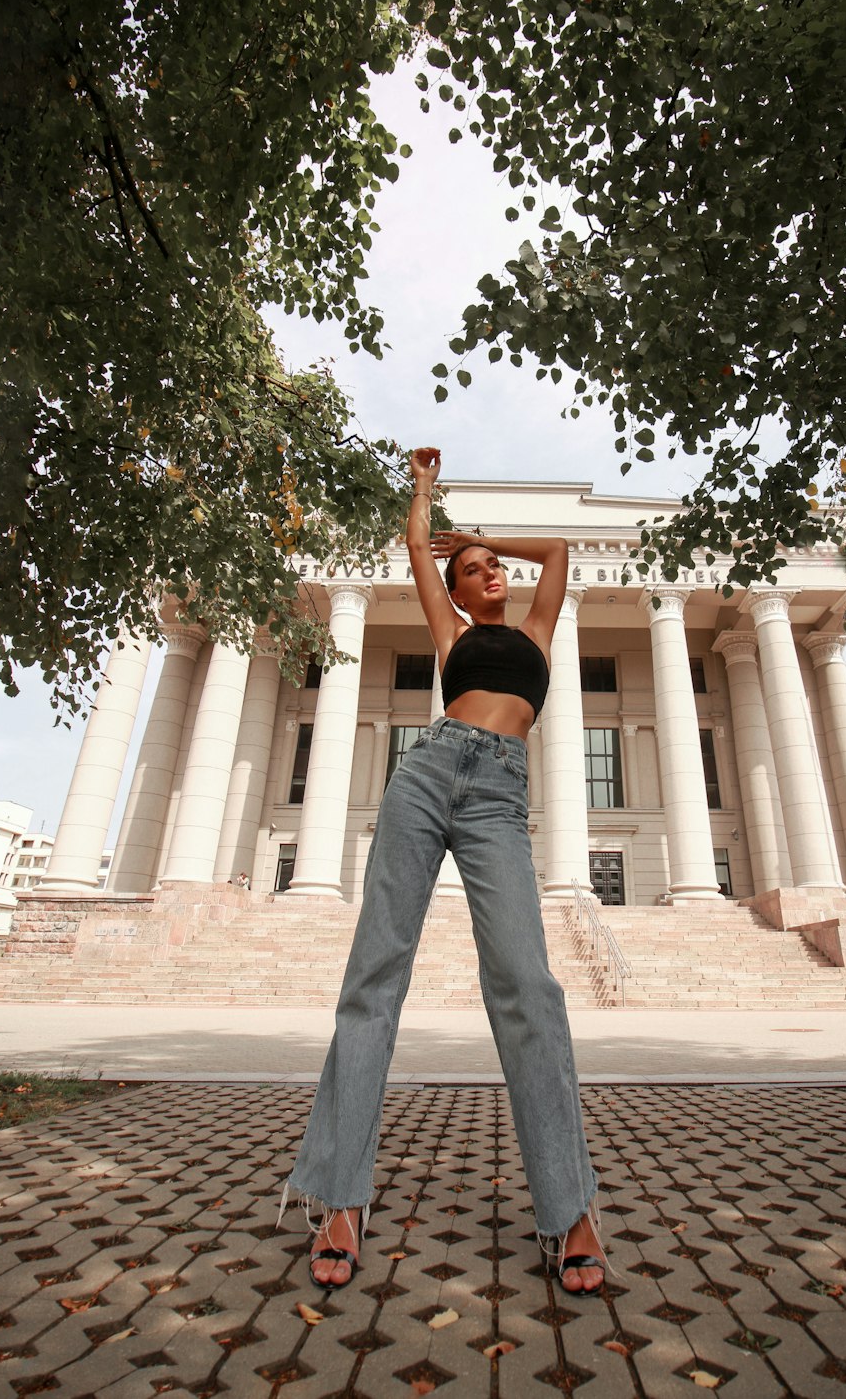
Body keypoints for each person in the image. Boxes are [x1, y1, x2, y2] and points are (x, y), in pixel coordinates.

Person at [281, 447, 606, 1297]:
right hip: (429, 772)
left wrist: (484, 535)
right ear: (456, 592)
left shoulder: (535, 629)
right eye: (475, 571)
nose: (491, 573)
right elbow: (416, 545)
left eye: (495, 567)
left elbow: (560, 557)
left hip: (500, 791)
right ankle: (341, 1203)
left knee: (528, 985)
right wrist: (425, 500)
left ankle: (571, 1211)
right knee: (375, 974)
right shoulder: (450, 631)